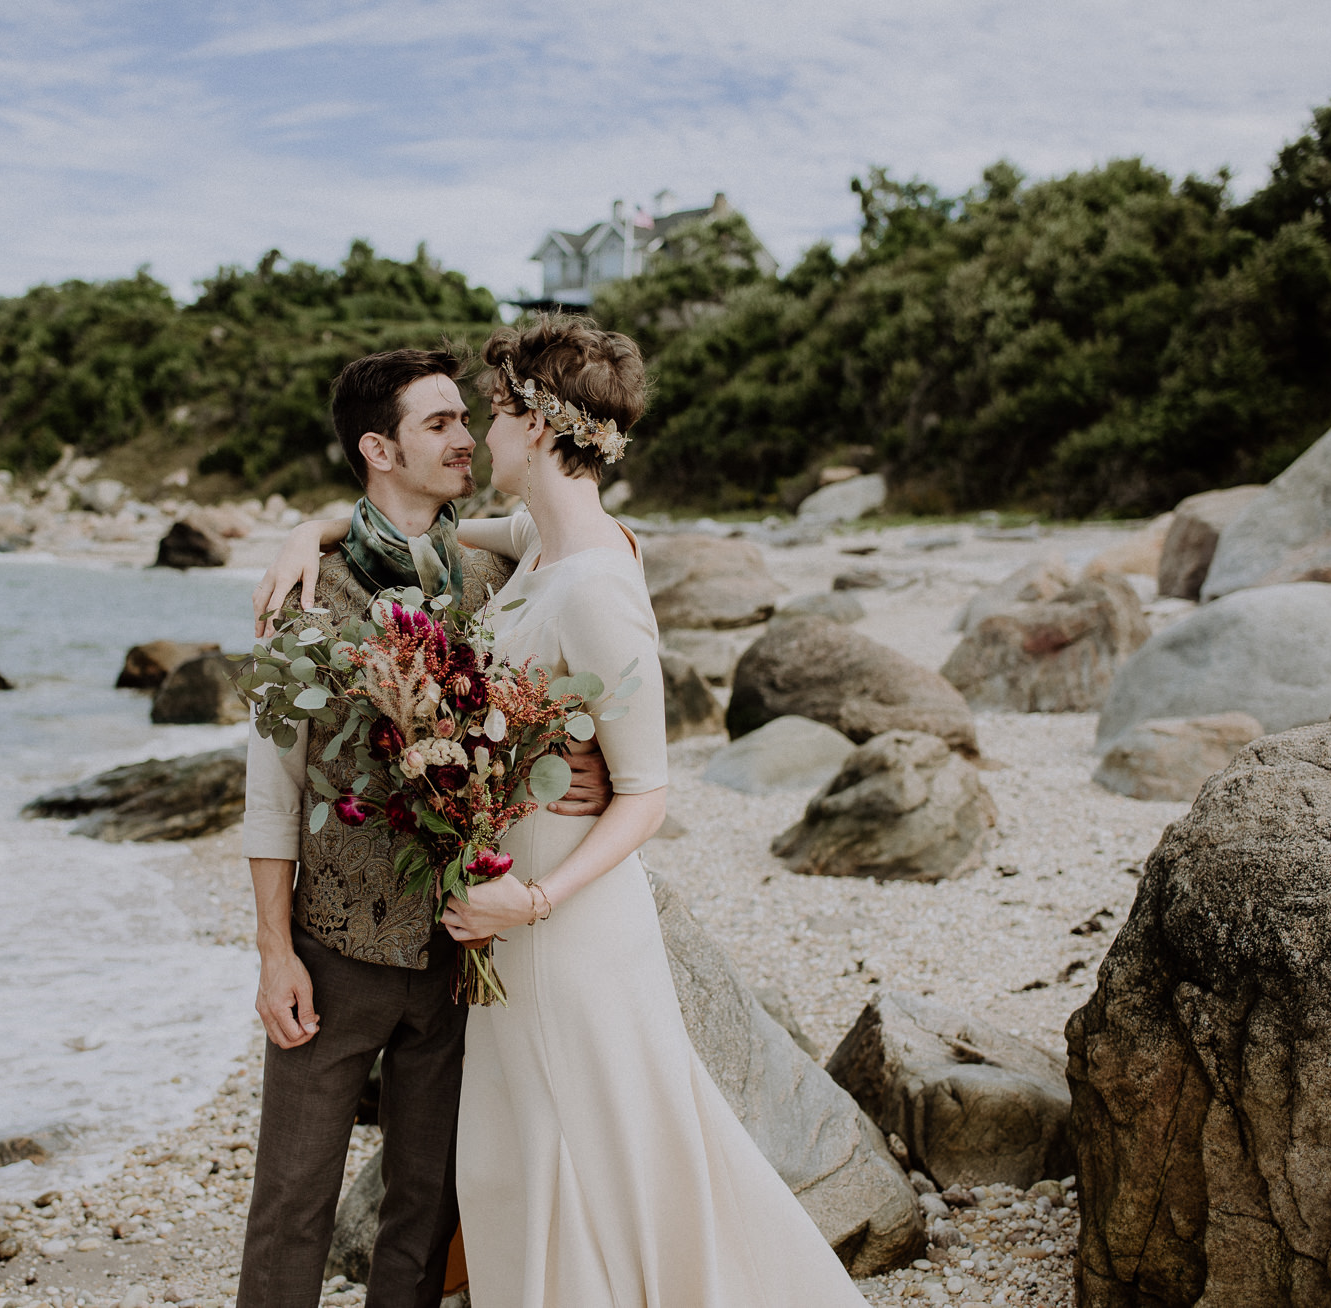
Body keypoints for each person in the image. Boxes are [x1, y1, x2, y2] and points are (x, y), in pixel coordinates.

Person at [258, 317, 872, 1306]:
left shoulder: (595, 581)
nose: (478, 436)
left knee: (591, 1158)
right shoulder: (546, 538)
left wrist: (532, 900)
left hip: (562, 927)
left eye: (492, 412)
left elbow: (648, 794)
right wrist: (310, 529)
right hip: (505, 920)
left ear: (537, 426)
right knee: (525, 1165)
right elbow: (420, 531)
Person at [236, 347, 612, 1308]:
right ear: (378, 447)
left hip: (459, 958)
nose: (461, 439)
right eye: (437, 424)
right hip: (337, 954)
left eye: (463, 419)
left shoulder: (491, 572)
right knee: (291, 1205)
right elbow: (274, 793)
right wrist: (276, 952)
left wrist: (589, 748)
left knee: (428, 1208)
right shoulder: (311, 599)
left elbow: (597, 534)